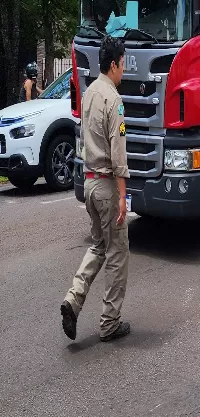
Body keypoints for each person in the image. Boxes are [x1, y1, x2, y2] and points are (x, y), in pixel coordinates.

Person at [60, 37, 131, 343]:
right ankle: (110, 321)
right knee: (118, 252)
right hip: (105, 186)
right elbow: (118, 153)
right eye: (124, 63)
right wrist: (122, 197)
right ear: (113, 64)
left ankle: (73, 300)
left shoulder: (89, 92)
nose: (125, 69)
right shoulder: (113, 99)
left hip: (88, 182)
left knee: (99, 246)